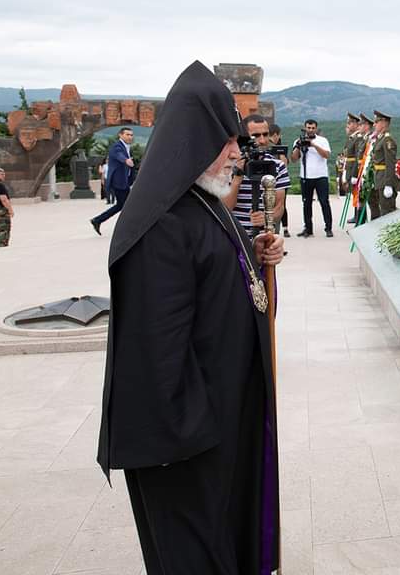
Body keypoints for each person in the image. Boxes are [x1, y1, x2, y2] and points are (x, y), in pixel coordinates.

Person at [97, 61, 283, 574]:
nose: (236, 152)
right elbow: (156, 349)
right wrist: (192, 441)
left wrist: (254, 256)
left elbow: (214, 274)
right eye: (226, 140)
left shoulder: (204, 205)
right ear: (192, 141)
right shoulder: (159, 225)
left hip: (223, 420)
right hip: (186, 442)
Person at [224, 114, 289, 235]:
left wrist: (266, 217)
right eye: (256, 136)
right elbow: (225, 208)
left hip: (265, 237)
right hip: (235, 236)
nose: (262, 140)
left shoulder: (277, 166)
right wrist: (237, 177)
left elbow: (279, 207)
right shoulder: (227, 165)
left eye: (265, 134)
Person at [290, 118, 333, 238]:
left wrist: (313, 145)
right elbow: (293, 159)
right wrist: (298, 146)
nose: (310, 130)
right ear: (305, 128)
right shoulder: (298, 140)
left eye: (313, 128)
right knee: (306, 203)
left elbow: (326, 155)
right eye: (308, 128)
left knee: (324, 202)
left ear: (316, 129)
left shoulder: (322, 140)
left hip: (321, 176)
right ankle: (308, 229)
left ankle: (328, 228)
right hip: (305, 176)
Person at [90, 127, 135, 235]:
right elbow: (119, 155)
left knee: (122, 205)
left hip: (124, 181)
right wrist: (126, 160)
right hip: (118, 182)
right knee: (127, 205)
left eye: (131, 135)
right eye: (127, 134)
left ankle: (97, 220)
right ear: (120, 135)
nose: (130, 137)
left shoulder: (127, 147)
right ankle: (128, 228)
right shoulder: (117, 146)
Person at [368, 110, 399, 218]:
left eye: (376, 122)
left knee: (387, 212)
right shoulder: (380, 139)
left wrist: (388, 184)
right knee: (380, 210)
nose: (374, 124)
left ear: (384, 123)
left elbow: (390, 163)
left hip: (384, 179)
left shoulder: (387, 140)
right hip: (379, 178)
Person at [268, 123, 292, 237]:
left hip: (277, 180)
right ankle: (275, 230)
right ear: (276, 134)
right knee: (278, 205)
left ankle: (279, 229)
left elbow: (285, 164)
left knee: (279, 205)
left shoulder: (279, 148)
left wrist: (280, 150)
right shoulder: (268, 148)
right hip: (274, 181)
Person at [348, 113, 373, 224]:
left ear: (367, 126)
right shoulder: (364, 138)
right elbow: (358, 158)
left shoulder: (369, 139)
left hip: (365, 172)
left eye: (361, 124)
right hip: (360, 171)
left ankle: (361, 222)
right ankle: (360, 222)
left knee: (368, 201)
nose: (359, 126)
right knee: (359, 198)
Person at [337, 113, 358, 197]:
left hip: (353, 170)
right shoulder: (351, 139)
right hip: (349, 170)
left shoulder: (357, 138)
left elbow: (357, 158)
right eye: (347, 123)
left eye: (350, 123)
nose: (347, 125)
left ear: (356, 124)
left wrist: (354, 174)